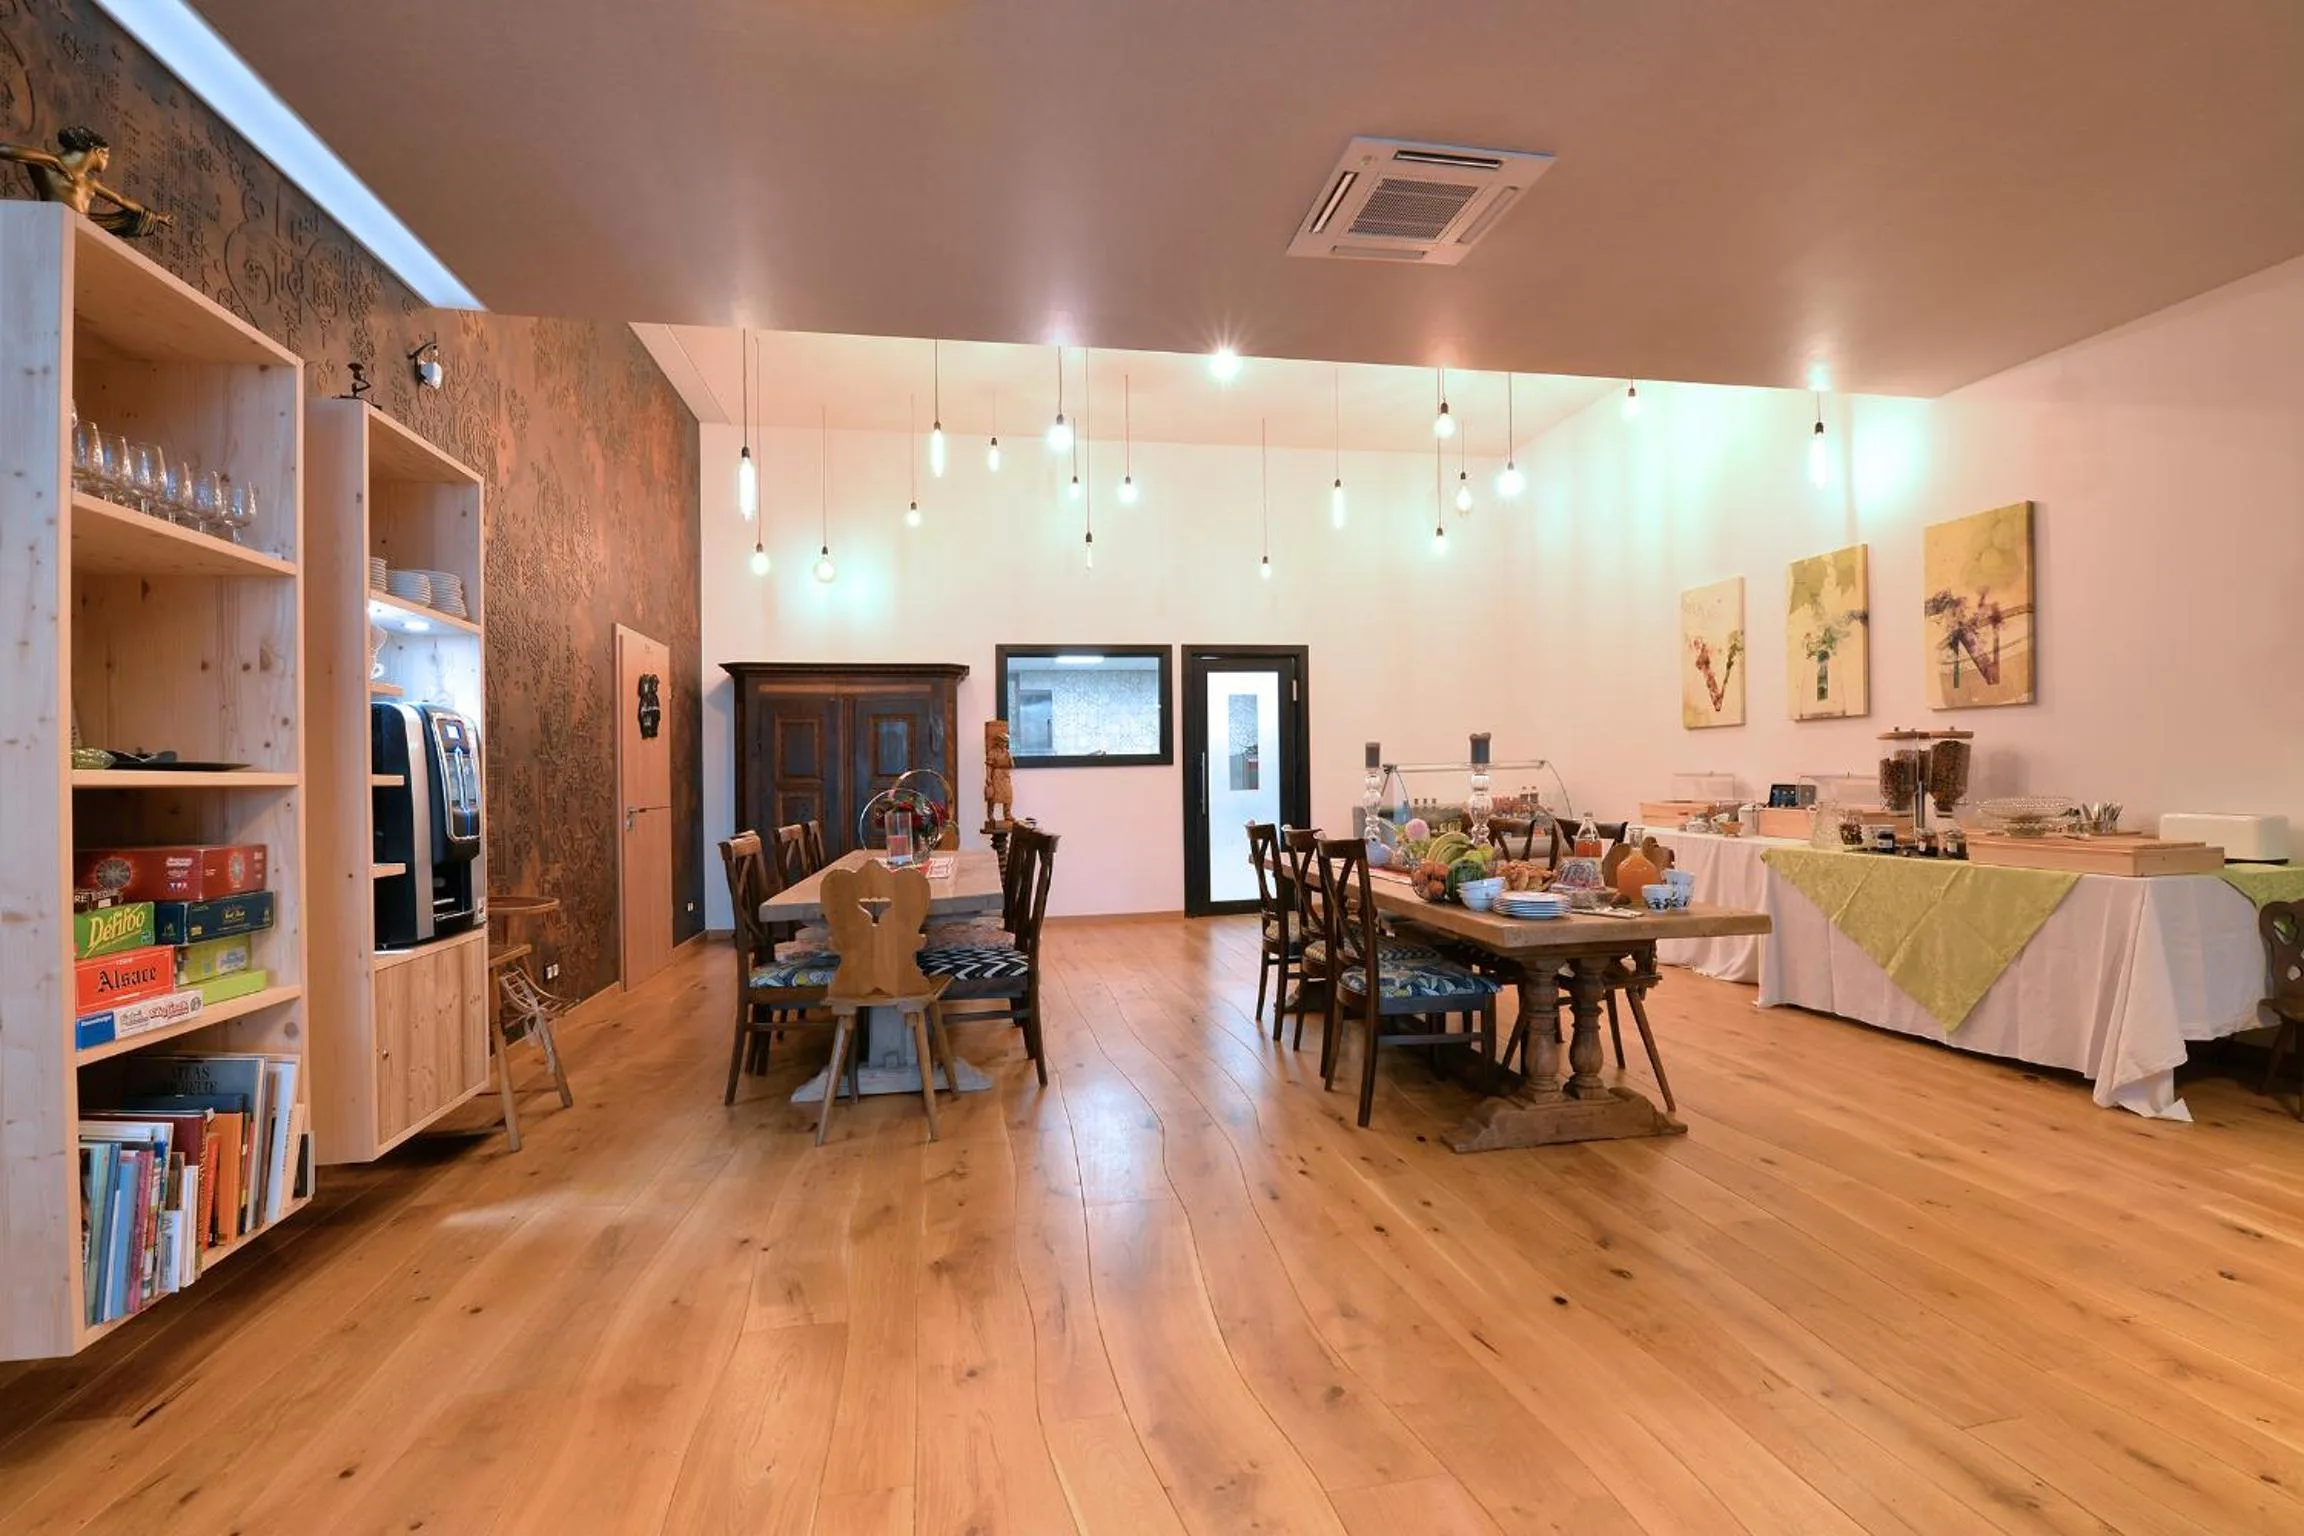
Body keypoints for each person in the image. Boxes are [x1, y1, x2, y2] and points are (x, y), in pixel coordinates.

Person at [1, 127, 172, 237]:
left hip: (81, 231)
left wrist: (157, 217)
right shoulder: (47, 166)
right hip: (52, 228)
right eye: (106, 156)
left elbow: (121, 200)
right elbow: (4, 150)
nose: (107, 161)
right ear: (97, 152)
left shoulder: (91, 184)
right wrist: (53, 161)